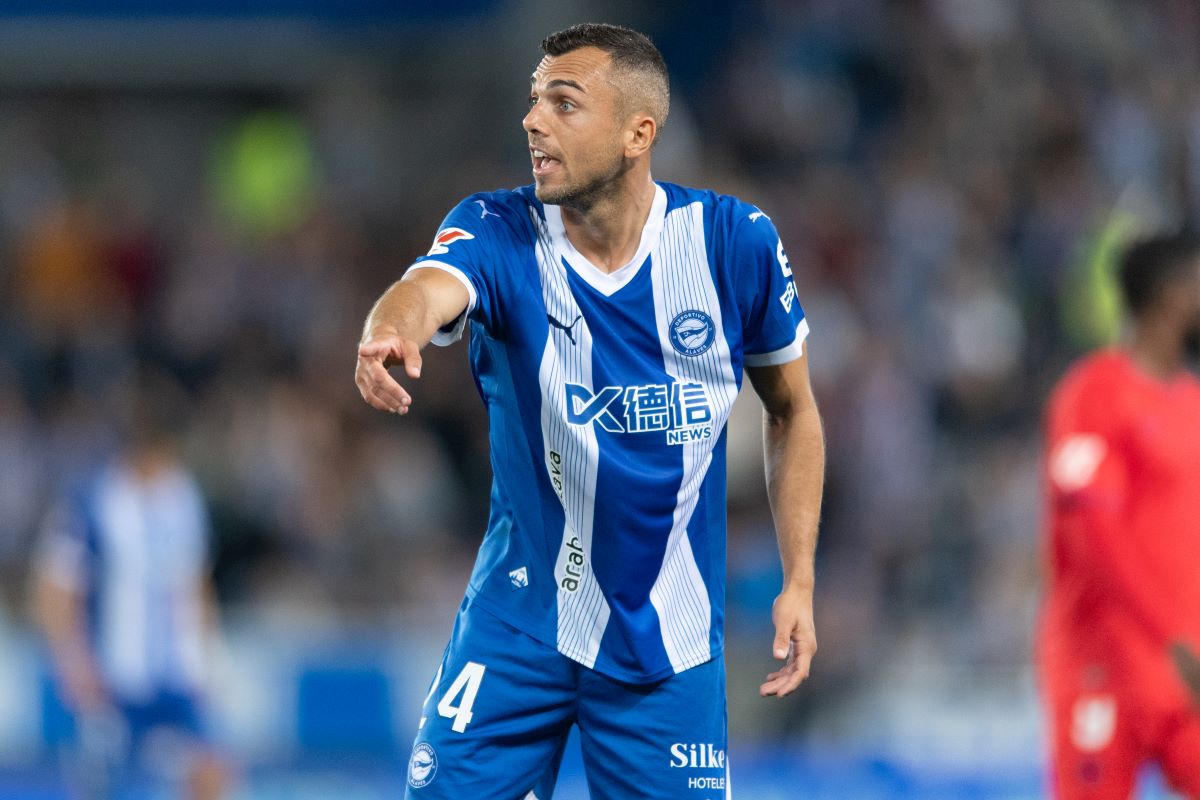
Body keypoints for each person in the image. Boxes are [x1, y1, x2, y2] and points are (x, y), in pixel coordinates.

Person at [355, 23, 824, 799]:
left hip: (664, 646)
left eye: (563, 103)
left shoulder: (733, 244)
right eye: (534, 101)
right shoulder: (498, 229)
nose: (534, 120)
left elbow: (794, 411)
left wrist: (799, 578)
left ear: (638, 133)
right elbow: (427, 287)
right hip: (517, 625)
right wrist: (387, 331)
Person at [1039, 232, 1200, 798]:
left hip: (1187, 678)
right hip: (1104, 666)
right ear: (1170, 296)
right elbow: (1092, 535)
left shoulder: (1192, 403)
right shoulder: (1094, 393)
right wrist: (1173, 636)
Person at [33, 383, 228, 800]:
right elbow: (55, 587)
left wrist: (208, 657)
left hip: (177, 675)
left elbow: (196, 581)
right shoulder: (91, 500)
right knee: (108, 787)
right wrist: (73, 660)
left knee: (211, 773)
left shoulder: (184, 496)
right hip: (115, 676)